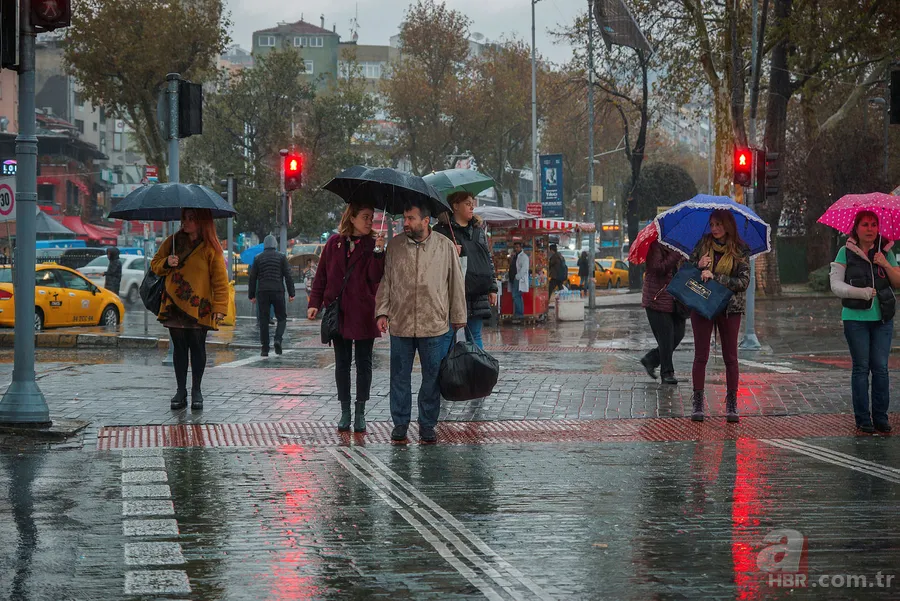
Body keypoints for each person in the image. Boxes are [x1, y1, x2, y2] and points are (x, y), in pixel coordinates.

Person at [375, 200, 467, 444]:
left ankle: (427, 424)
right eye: (404, 218)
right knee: (399, 377)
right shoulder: (395, 246)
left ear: (426, 221)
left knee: (432, 377)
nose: (405, 223)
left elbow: (456, 283)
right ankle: (400, 423)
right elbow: (386, 281)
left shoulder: (445, 246)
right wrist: (382, 312)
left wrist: (459, 316)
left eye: (411, 218)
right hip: (401, 322)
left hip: (434, 323)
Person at [308, 203, 386, 433]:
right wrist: (314, 303)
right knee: (342, 364)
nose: (369, 221)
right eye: (365, 217)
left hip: (363, 312)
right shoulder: (334, 243)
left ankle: (360, 411)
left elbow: (375, 277)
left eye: (371, 217)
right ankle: (345, 411)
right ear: (351, 218)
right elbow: (322, 275)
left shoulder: (373, 244)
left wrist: (379, 252)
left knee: (364, 363)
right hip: (339, 312)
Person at [150, 208, 228, 412]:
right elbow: (155, 264)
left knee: (197, 347)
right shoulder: (173, 242)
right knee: (179, 348)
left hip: (199, 307)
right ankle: (180, 391)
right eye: (184, 218)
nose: (185, 222)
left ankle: (196, 391)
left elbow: (220, 281)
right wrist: (167, 262)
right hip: (173, 304)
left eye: (191, 218)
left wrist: (220, 307)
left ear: (201, 221)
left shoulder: (210, 247)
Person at [829, 211, 900, 434]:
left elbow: (897, 282)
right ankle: (863, 419)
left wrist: (885, 264)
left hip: (883, 319)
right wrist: (862, 293)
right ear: (856, 228)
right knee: (861, 368)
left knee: (880, 368)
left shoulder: (885, 251)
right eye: (865, 225)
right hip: (855, 319)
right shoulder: (845, 252)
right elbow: (836, 285)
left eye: (874, 225)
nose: (870, 229)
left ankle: (881, 417)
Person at [688, 210, 750, 423]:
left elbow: (743, 282)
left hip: (729, 308)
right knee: (701, 356)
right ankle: (698, 403)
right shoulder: (702, 244)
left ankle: (732, 404)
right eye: (712, 224)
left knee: (730, 357)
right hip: (702, 305)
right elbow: (684, 271)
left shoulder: (740, 249)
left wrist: (716, 277)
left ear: (728, 225)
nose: (714, 228)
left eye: (719, 224)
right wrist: (698, 266)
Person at [433, 191, 498, 349]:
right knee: (447, 334)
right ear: (455, 206)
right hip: (452, 291)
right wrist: (450, 252)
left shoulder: (477, 230)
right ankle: (447, 364)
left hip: (477, 290)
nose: (472, 207)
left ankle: (477, 364)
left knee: (475, 334)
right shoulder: (441, 231)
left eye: (472, 204)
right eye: (468, 204)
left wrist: (492, 288)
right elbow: (433, 261)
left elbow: (487, 259)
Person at [640, 241, 687, 385]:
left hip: (677, 300)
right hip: (657, 298)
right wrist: (676, 254)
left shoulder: (683, 246)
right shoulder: (656, 245)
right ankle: (667, 373)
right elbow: (658, 268)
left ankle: (651, 359)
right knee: (666, 338)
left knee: (678, 334)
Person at [249, 234, 295, 357]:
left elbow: (252, 278)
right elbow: (288, 276)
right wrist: (292, 293)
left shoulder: (258, 258)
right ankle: (278, 339)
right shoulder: (281, 257)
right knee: (282, 318)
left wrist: (251, 295)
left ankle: (264, 348)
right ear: (275, 244)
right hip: (278, 290)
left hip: (263, 292)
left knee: (263, 320)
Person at [509, 241, 529, 321]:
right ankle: (518, 313)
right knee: (517, 296)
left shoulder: (524, 257)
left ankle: (519, 314)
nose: (516, 249)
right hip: (513, 278)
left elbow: (524, 269)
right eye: (515, 247)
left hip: (518, 279)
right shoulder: (515, 256)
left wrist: (517, 277)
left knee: (516, 296)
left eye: (517, 247)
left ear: (521, 248)